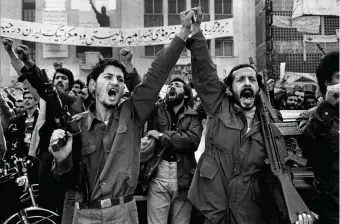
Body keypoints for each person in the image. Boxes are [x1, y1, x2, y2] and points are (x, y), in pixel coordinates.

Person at [47, 10, 195, 223]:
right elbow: (62, 179)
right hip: (85, 215)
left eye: (120, 79)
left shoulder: (133, 114)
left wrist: (183, 32)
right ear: (92, 85)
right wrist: (62, 159)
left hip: (123, 213)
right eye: (108, 77)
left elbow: (158, 73)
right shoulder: (75, 126)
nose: (115, 82)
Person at [186, 6, 313, 224]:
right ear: (229, 89)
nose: (247, 83)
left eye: (252, 79)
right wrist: (196, 31)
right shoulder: (218, 106)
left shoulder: (272, 122)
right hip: (213, 210)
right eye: (240, 79)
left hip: (249, 212)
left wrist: (294, 215)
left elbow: (279, 177)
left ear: (258, 88)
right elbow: (206, 73)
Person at [142, 77, 202, 224]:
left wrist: (163, 136)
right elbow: (144, 96)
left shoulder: (193, 115)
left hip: (183, 176)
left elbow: (192, 141)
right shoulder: (156, 110)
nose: (172, 87)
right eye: (171, 85)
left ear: (186, 94)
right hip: (158, 172)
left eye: (177, 85)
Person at [297, 51, 339, 224]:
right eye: (339, 77)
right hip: (331, 205)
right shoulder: (311, 116)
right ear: (327, 83)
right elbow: (309, 145)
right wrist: (327, 106)